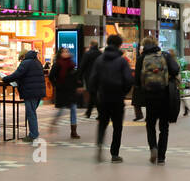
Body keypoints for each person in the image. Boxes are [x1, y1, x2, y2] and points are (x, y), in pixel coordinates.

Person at [89, 34, 133, 163]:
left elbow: (93, 80)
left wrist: (96, 94)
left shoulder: (99, 59)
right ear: (119, 45)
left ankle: (99, 147)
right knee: (117, 126)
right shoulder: (122, 61)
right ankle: (114, 154)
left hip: (103, 97)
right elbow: (128, 80)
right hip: (117, 98)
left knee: (102, 124)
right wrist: (123, 92)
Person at [136, 36, 180, 164]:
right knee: (164, 127)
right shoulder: (165, 56)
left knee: (150, 124)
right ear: (156, 44)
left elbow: (137, 81)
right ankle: (161, 157)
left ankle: (153, 148)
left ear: (144, 45)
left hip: (150, 96)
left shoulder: (141, 59)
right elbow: (176, 69)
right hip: (165, 95)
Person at [2, 49, 46, 143]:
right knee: (32, 112)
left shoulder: (26, 62)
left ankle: (33, 135)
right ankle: (34, 133)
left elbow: (17, 74)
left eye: (21, 59)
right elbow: (26, 75)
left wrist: (5, 78)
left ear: (23, 57)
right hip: (38, 91)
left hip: (30, 92)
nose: (21, 61)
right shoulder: (37, 62)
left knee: (31, 113)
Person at [48, 47, 81, 139]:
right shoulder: (57, 64)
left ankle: (73, 132)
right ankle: (54, 123)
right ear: (60, 54)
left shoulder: (71, 64)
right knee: (61, 110)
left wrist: (78, 86)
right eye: (64, 52)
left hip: (71, 90)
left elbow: (74, 77)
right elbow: (51, 76)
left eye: (67, 51)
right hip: (62, 91)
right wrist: (56, 85)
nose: (67, 53)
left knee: (73, 110)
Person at [81, 41, 102, 119]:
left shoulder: (87, 54)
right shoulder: (100, 54)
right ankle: (88, 112)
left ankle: (100, 112)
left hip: (89, 77)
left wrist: (79, 76)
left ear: (90, 45)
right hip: (99, 77)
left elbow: (82, 66)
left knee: (93, 94)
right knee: (93, 93)